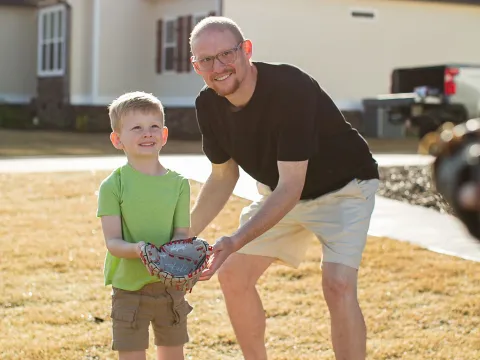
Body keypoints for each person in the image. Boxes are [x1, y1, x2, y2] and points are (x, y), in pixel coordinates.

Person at [188, 16, 380, 360]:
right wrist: (182, 234)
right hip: (281, 194)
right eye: (206, 60)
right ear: (196, 66)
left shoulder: (291, 88)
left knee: (337, 285)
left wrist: (234, 240)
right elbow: (222, 177)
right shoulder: (207, 104)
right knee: (232, 274)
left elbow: (292, 185)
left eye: (226, 55)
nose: (218, 67)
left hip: (344, 188)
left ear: (246, 50)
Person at [96, 91, 193, 360]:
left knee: (173, 353)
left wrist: (176, 261)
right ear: (118, 140)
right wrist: (142, 250)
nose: (147, 133)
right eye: (136, 128)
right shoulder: (112, 186)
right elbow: (113, 242)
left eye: (153, 127)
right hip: (129, 287)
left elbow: (182, 233)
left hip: (169, 287)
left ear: (164, 135)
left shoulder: (179, 184)